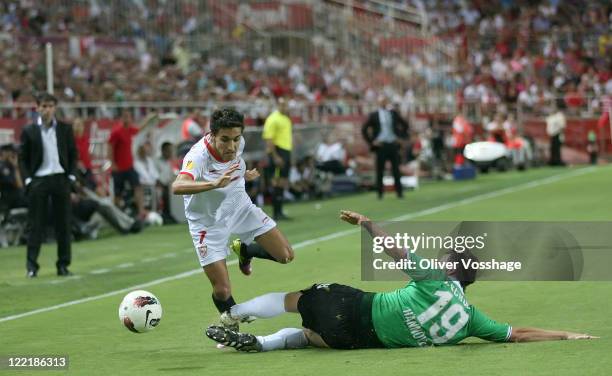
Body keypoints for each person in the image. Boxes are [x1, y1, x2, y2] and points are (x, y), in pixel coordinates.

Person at [206, 210, 597, 352]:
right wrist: (564, 334)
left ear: (449, 267)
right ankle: (258, 344)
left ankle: (233, 315)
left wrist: (367, 224)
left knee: (294, 299)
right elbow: (517, 334)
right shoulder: (471, 319)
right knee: (308, 337)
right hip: (356, 341)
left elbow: (396, 250)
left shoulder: (434, 279)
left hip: (354, 306)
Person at [172, 107, 294, 329]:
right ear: (212, 135)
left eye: (236, 139)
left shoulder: (239, 143)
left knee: (285, 256)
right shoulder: (198, 156)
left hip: (240, 207)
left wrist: (243, 176)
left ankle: (246, 250)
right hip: (207, 223)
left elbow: (233, 167)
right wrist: (213, 184)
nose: (232, 146)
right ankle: (231, 327)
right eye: (225, 140)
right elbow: (178, 185)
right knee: (222, 290)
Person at [19, 93, 77, 278]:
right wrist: (28, 180)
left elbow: (73, 153)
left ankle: (63, 265)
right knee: (35, 225)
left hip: (60, 179)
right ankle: (31, 266)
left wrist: (72, 176)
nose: (46, 109)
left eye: (50, 106)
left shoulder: (65, 129)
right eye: (43, 106)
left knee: (63, 225)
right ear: (37, 108)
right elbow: (22, 159)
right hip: (39, 180)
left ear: (55, 108)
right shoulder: (29, 131)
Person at [108, 110, 158, 218]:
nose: (127, 119)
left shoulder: (129, 130)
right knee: (118, 193)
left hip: (129, 166)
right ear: (121, 118)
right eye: (125, 117)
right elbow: (110, 146)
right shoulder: (116, 132)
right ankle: (116, 215)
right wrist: (112, 163)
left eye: (129, 117)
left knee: (137, 186)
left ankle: (141, 211)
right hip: (119, 168)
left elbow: (140, 128)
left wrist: (148, 119)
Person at [362, 96, 409, 199]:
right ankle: (380, 193)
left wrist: (400, 137)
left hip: (392, 144)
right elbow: (364, 129)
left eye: (384, 101)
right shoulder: (374, 115)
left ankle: (399, 192)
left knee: (396, 169)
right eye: (381, 101)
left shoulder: (393, 113)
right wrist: (372, 142)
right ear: (378, 103)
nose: (383, 103)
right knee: (380, 170)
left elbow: (405, 125)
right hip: (381, 145)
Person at [263, 97, 293, 220]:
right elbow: (269, 139)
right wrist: (275, 156)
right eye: (282, 105)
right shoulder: (272, 119)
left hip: (286, 151)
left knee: (283, 182)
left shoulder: (286, 118)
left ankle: (280, 211)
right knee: (276, 182)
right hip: (278, 152)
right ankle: (276, 213)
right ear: (278, 105)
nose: (285, 107)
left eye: (286, 105)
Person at [0, 144, 26, 215]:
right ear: (4, 152)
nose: (13, 154)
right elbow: (19, 185)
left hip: (17, 197)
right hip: (9, 200)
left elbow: (22, 185)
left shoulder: (12, 165)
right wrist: (15, 167)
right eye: (10, 152)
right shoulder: (3, 167)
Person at [546, 99, 566, 166]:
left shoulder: (559, 116)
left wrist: (561, 133)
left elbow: (562, 126)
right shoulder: (550, 116)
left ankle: (558, 161)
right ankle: (553, 161)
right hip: (551, 134)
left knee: (557, 148)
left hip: (557, 133)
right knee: (552, 149)